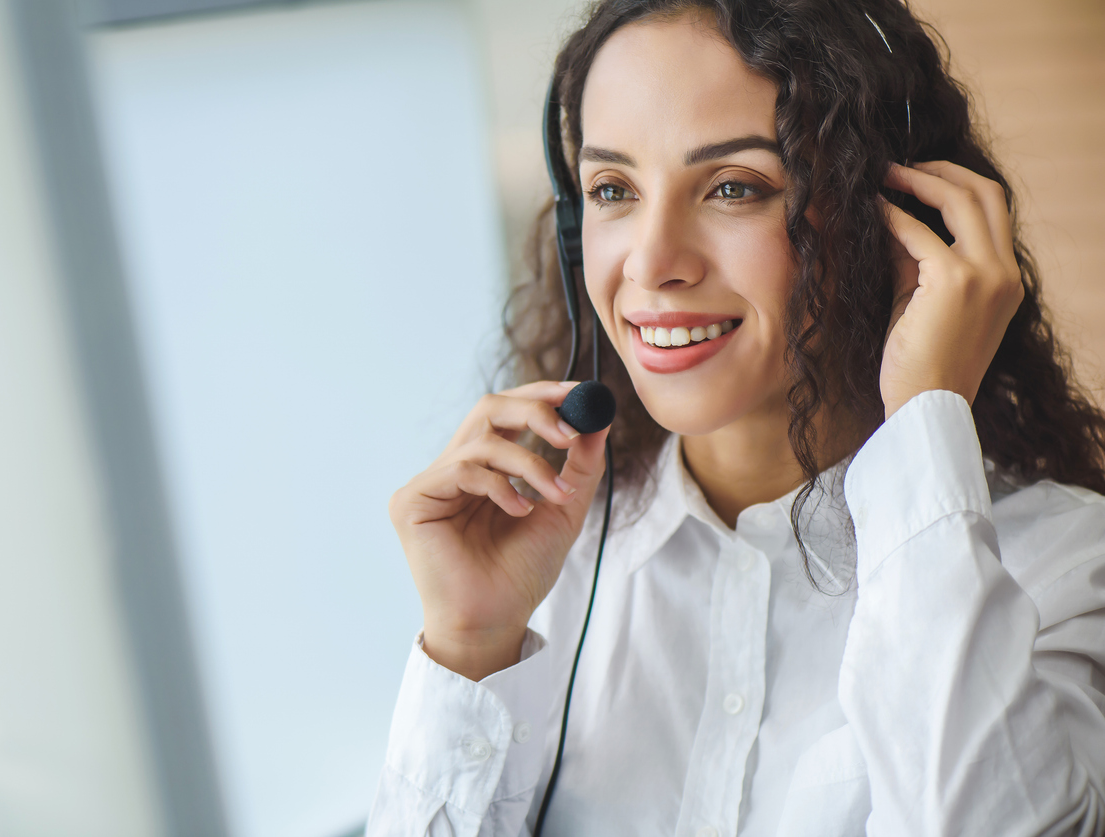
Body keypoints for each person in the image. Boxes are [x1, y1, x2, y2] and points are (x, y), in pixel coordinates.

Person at [369, 0, 1105, 834]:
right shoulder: (539, 569)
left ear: (893, 215)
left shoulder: (1065, 567)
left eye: (732, 187)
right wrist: (470, 644)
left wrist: (926, 412)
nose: (649, 262)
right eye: (612, 189)